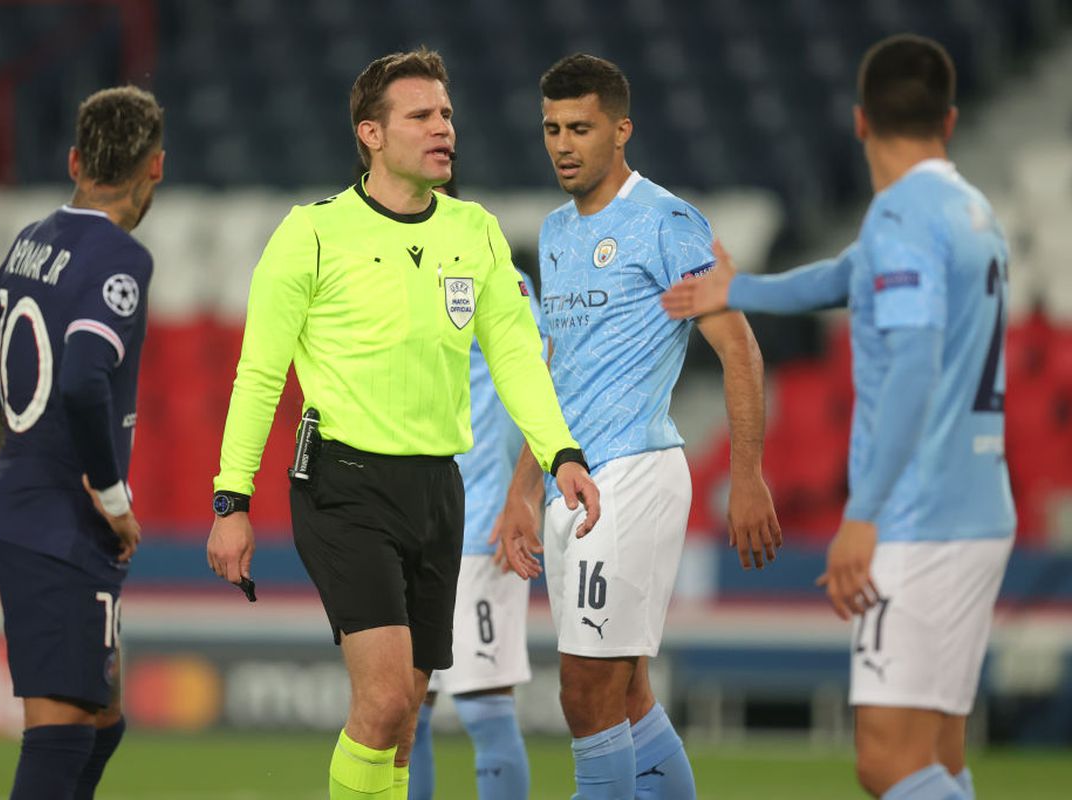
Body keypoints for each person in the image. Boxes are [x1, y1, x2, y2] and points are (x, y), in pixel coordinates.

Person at [205, 48, 601, 800]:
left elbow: (519, 358)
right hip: (343, 484)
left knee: (408, 716)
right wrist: (232, 500)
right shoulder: (311, 235)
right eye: (420, 115)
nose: (443, 127)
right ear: (372, 135)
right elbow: (259, 375)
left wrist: (562, 455)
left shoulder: (476, 233)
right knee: (384, 702)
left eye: (446, 113)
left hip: (437, 490)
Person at [664, 34, 1014, 800]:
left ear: (860, 122)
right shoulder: (970, 211)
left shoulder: (903, 221)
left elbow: (916, 367)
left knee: (886, 762)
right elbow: (840, 277)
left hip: (918, 523)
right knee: (940, 755)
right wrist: (737, 291)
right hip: (981, 510)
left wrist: (864, 516)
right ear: (948, 122)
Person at [501, 54, 781, 799]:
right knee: (625, 697)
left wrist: (748, 476)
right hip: (572, 484)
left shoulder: (666, 222)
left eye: (581, 128)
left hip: (629, 477)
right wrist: (523, 489)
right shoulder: (557, 233)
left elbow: (739, 348)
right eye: (552, 128)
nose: (563, 143)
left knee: (585, 695)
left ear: (621, 130)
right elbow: (553, 372)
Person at [0, 86, 164, 800]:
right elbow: (81, 381)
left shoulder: (35, 239)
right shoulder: (122, 259)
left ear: (74, 160)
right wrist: (112, 496)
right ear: (154, 167)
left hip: (25, 503)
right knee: (65, 728)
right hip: (60, 524)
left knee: (103, 719)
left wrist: (14, 444)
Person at [408, 170, 540, 800]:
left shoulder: (495, 269)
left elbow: (539, 380)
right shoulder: (386, 270)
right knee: (406, 708)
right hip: (406, 522)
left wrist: (523, 495)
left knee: (484, 704)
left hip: (479, 518)